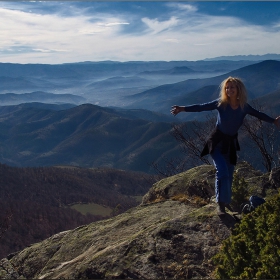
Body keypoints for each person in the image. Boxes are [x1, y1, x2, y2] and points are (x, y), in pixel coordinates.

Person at [170, 76, 280, 215]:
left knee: (229, 174)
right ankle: (220, 205)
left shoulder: (244, 107)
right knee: (221, 171)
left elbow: (259, 115)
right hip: (216, 142)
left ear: (238, 89)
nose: (229, 90)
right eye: (227, 88)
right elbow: (202, 107)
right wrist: (182, 109)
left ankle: (225, 201)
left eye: (232, 87)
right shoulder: (221, 104)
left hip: (231, 144)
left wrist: (273, 121)